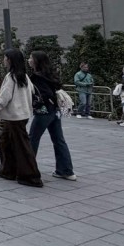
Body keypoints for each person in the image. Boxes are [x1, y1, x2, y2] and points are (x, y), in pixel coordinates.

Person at [0, 49, 44, 187]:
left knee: (22, 147)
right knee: (5, 142)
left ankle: (31, 176)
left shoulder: (12, 77)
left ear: (10, 60)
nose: (3, 60)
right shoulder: (23, 76)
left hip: (14, 117)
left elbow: (4, 97)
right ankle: (7, 169)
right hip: (21, 115)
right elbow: (31, 92)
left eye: (5, 57)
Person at [28, 51, 76, 181]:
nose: (29, 60)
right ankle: (66, 170)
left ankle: (27, 169)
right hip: (55, 111)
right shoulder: (51, 74)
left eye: (31, 58)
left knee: (32, 139)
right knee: (59, 140)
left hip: (44, 112)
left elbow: (44, 94)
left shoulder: (37, 77)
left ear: (36, 61)